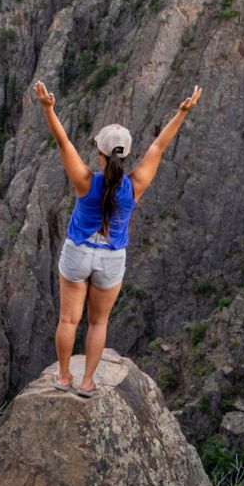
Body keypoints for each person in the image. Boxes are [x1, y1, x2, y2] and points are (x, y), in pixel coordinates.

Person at [33, 79, 202, 394]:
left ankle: (64, 377)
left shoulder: (85, 181)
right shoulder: (135, 184)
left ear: (99, 152)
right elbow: (159, 147)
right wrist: (182, 113)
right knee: (98, 323)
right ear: (124, 156)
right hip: (111, 257)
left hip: (77, 252)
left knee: (69, 320)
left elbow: (63, 142)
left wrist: (48, 109)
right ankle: (86, 383)